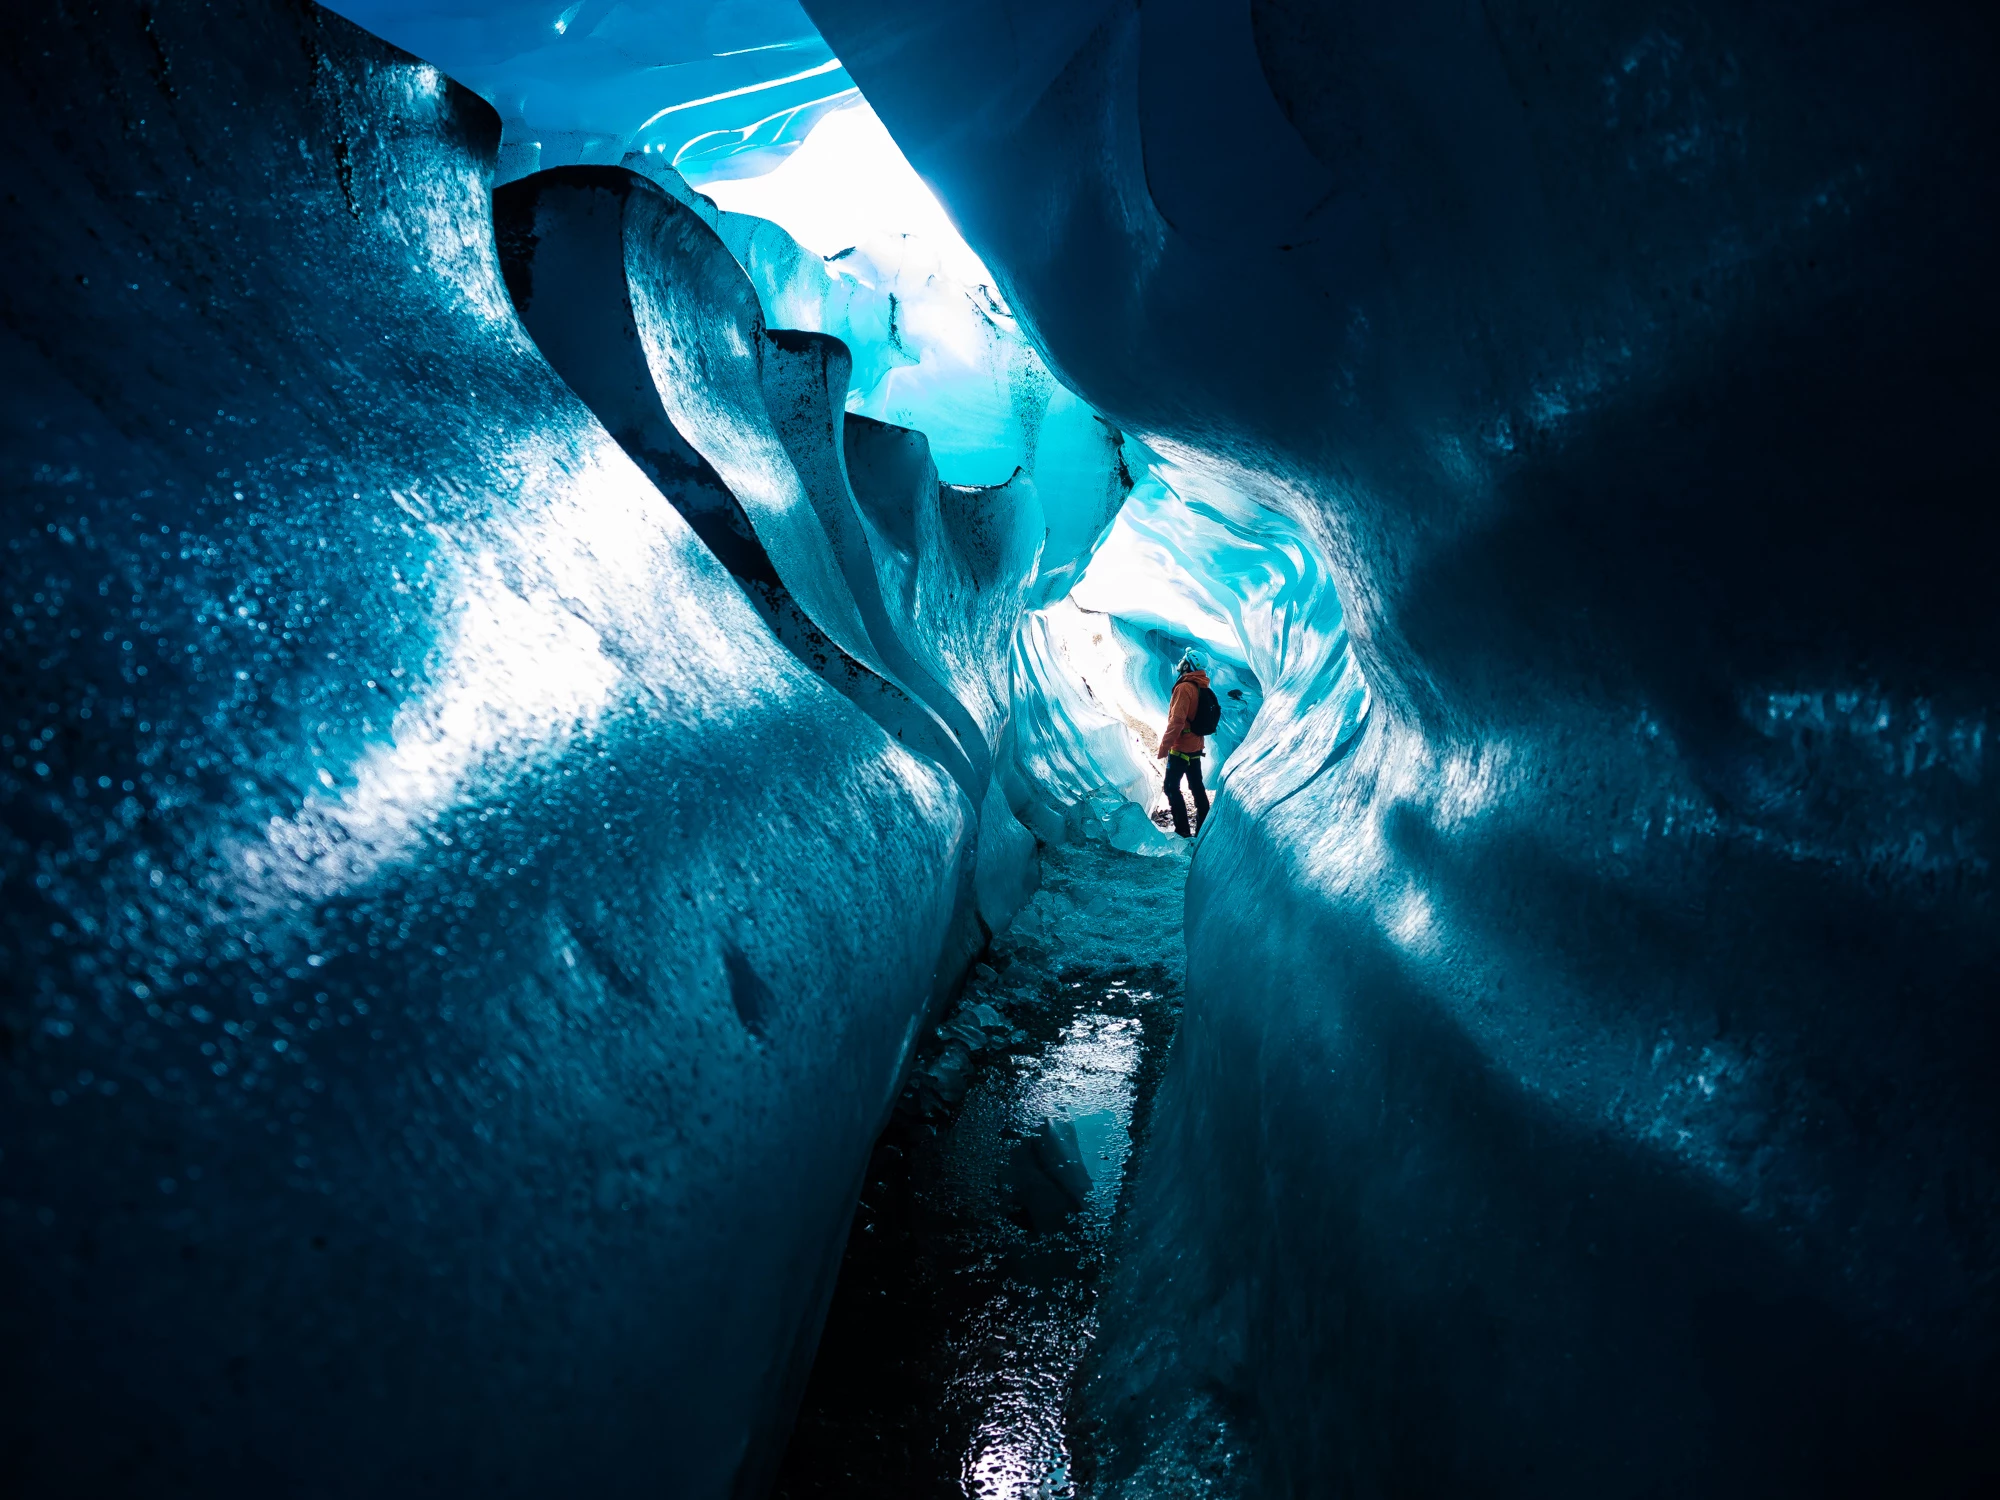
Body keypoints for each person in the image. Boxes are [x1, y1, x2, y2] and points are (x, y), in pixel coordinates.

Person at [1157, 649, 1213, 838]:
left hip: (1181, 747)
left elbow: (1177, 721)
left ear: (1189, 665)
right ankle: (1202, 830)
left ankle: (1182, 831)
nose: (1181, 663)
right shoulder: (1202, 686)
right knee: (1197, 788)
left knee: (1171, 787)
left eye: (1184, 661)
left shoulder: (1184, 688)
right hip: (1196, 746)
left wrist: (1165, 747)